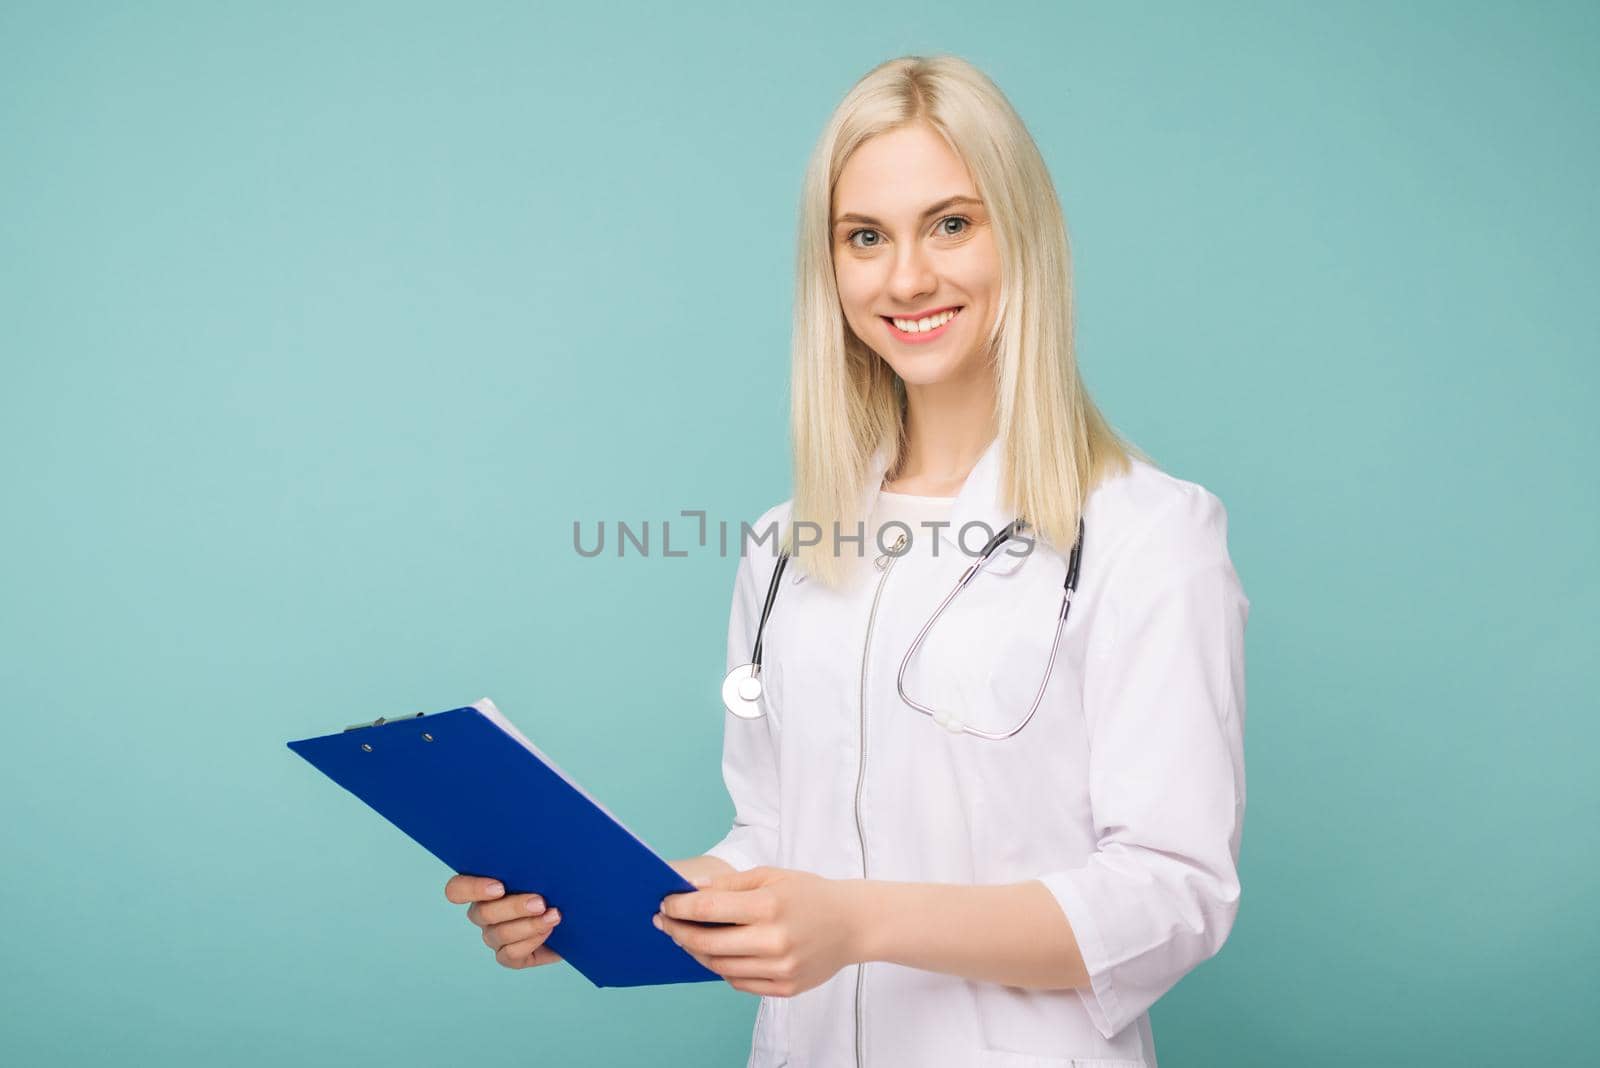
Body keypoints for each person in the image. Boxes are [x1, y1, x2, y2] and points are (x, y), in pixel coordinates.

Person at [446, 53, 1249, 1068]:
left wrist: (860, 923)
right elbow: (779, 842)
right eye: (865, 238)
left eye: (951, 223)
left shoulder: (1148, 532)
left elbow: (1172, 895)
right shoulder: (785, 545)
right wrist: (597, 902)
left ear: (1024, 235)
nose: (906, 277)